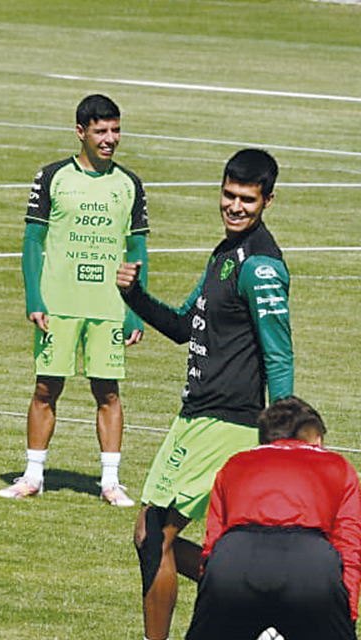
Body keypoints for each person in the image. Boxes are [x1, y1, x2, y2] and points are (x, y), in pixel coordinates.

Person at [117, 148, 293, 640]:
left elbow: (279, 355)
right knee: (154, 538)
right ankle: (268, 608)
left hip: (229, 422)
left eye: (247, 200)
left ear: (267, 201)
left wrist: (281, 443)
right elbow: (181, 326)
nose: (235, 207)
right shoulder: (223, 256)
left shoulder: (260, 267)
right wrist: (133, 298)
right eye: (228, 195)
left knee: (155, 536)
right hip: (194, 417)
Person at [0, 94, 149, 507]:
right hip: (59, 302)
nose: (110, 139)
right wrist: (34, 296)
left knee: (109, 392)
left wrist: (136, 310)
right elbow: (32, 240)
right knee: (46, 388)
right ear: (81, 132)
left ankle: (110, 482)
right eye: (101, 131)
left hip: (107, 305)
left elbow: (137, 250)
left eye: (115, 130)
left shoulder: (129, 184)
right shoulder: (51, 177)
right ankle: (33, 475)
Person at [185, 396, 360, 640]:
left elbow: (212, 543)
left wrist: (212, 595)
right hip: (310, 566)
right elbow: (349, 545)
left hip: (234, 560)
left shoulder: (234, 464)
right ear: (316, 437)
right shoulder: (338, 466)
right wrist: (347, 617)